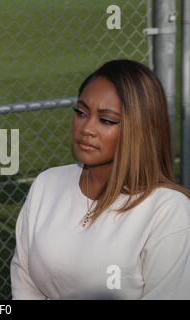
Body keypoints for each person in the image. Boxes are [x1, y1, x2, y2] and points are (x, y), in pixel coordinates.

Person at [10, 59, 190, 300]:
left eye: (106, 120)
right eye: (81, 113)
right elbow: (24, 278)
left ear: (140, 128)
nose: (87, 128)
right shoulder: (47, 183)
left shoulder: (168, 211)